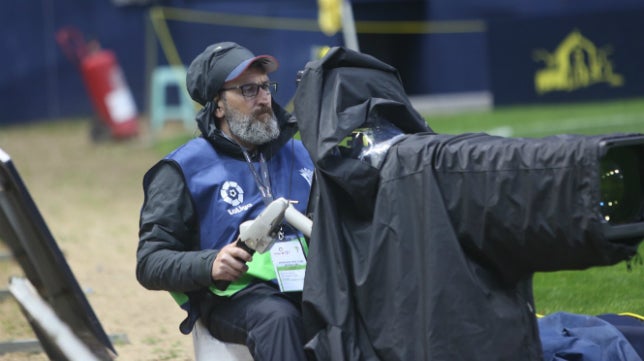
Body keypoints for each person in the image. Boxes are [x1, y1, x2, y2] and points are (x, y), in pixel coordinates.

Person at [136, 42, 314, 360]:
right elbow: (150, 263)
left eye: (265, 86)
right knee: (279, 319)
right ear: (218, 105)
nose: (263, 98)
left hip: (310, 285)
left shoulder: (300, 153)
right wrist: (211, 264)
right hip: (237, 298)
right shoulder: (183, 169)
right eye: (247, 90)